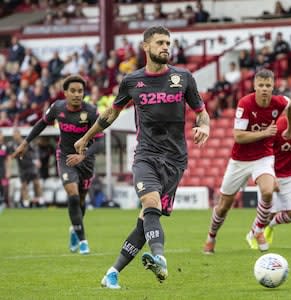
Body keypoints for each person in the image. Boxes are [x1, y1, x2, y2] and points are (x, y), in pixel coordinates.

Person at [74, 26, 210, 289]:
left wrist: (204, 126)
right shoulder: (131, 81)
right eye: (160, 42)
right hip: (146, 155)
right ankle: (160, 258)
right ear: (145, 46)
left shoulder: (183, 78)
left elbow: (201, 111)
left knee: (145, 220)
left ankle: (112, 273)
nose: (165, 47)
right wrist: (85, 137)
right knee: (150, 202)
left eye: (168, 43)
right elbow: (110, 115)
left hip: (175, 160)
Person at [203, 68, 291, 254]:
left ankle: (258, 230)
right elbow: (238, 136)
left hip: (263, 157)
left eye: (268, 85)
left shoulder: (279, 102)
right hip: (240, 160)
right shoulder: (245, 103)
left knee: (268, 191)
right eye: (261, 85)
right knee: (224, 206)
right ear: (255, 86)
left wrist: (290, 128)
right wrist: (265, 133)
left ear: (273, 86)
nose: (265, 89)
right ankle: (211, 236)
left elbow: (290, 105)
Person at [11, 75, 103, 254]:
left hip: (85, 160)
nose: (77, 94)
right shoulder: (57, 108)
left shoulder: (91, 112)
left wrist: (83, 156)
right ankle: (83, 241)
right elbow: (41, 124)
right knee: (73, 195)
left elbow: (99, 141)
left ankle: (74, 231)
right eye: (73, 91)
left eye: (80, 91)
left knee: (82, 199)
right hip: (65, 157)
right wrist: (25, 142)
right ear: (65, 93)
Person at [261, 93, 291, 246]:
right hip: (272, 173)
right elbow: (266, 151)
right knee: (270, 213)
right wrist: (270, 175)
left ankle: (269, 227)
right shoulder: (279, 126)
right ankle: (255, 233)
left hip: (290, 175)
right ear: (290, 107)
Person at [11, 128, 44, 208]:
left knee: (36, 182)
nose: (15, 136)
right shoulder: (12, 145)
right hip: (22, 167)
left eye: (16, 134)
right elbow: (12, 155)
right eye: (13, 135)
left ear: (19, 134)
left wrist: (37, 160)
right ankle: (26, 202)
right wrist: (17, 153)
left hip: (31, 166)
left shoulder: (26, 142)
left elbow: (35, 151)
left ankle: (39, 200)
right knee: (24, 185)